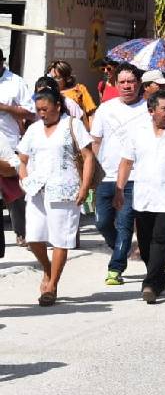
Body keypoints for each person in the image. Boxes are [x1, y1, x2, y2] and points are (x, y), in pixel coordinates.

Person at [115, 90, 165, 303]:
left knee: (161, 240)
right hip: (143, 197)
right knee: (144, 244)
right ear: (151, 111)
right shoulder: (137, 132)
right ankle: (159, 277)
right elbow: (126, 162)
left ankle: (150, 283)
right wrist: (119, 189)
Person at [17, 86, 93, 306]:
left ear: (58, 106)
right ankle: (48, 269)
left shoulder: (72, 125)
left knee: (61, 238)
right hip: (36, 189)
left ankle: (52, 286)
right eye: (38, 110)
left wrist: (85, 187)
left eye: (45, 109)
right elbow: (22, 158)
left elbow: (88, 157)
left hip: (65, 189)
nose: (41, 114)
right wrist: (24, 180)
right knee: (33, 237)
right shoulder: (34, 130)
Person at [90, 62, 149, 286]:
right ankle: (122, 250)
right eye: (122, 82)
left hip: (134, 177)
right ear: (115, 84)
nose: (127, 86)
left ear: (139, 84)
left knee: (125, 224)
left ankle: (115, 268)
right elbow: (95, 141)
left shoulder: (147, 109)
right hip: (106, 176)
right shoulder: (105, 108)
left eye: (131, 82)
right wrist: (91, 176)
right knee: (102, 223)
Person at [0, 48, 35, 246]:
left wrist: (4, 107)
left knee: (14, 194)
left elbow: (31, 113)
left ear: (2, 61)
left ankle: (22, 233)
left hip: (9, 144)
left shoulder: (16, 82)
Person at [47, 60, 97, 127]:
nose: (53, 81)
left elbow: (91, 113)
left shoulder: (79, 90)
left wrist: (92, 134)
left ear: (67, 78)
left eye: (57, 78)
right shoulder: (47, 92)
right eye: (51, 77)